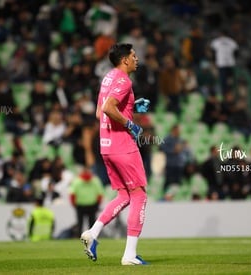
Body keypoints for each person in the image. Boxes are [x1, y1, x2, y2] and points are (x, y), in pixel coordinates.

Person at [80, 43, 150, 265]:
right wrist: (131, 124)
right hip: (123, 146)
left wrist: (132, 106)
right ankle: (129, 255)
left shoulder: (108, 78)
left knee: (124, 196)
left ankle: (93, 232)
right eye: (133, 55)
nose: (137, 59)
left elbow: (100, 113)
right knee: (139, 195)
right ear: (125, 60)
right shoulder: (123, 80)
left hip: (107, 146)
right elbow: (110, 108)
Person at [70, 168, 104, 237]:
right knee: (92, 223)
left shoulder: (77, 181)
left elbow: (72, 194)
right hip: (92, 205)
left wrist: (74, 204)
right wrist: (97, 204)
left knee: (80, 223)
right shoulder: (95, 180)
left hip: (80, 205)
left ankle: (79, 237)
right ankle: (93, 237)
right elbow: (100, 193)